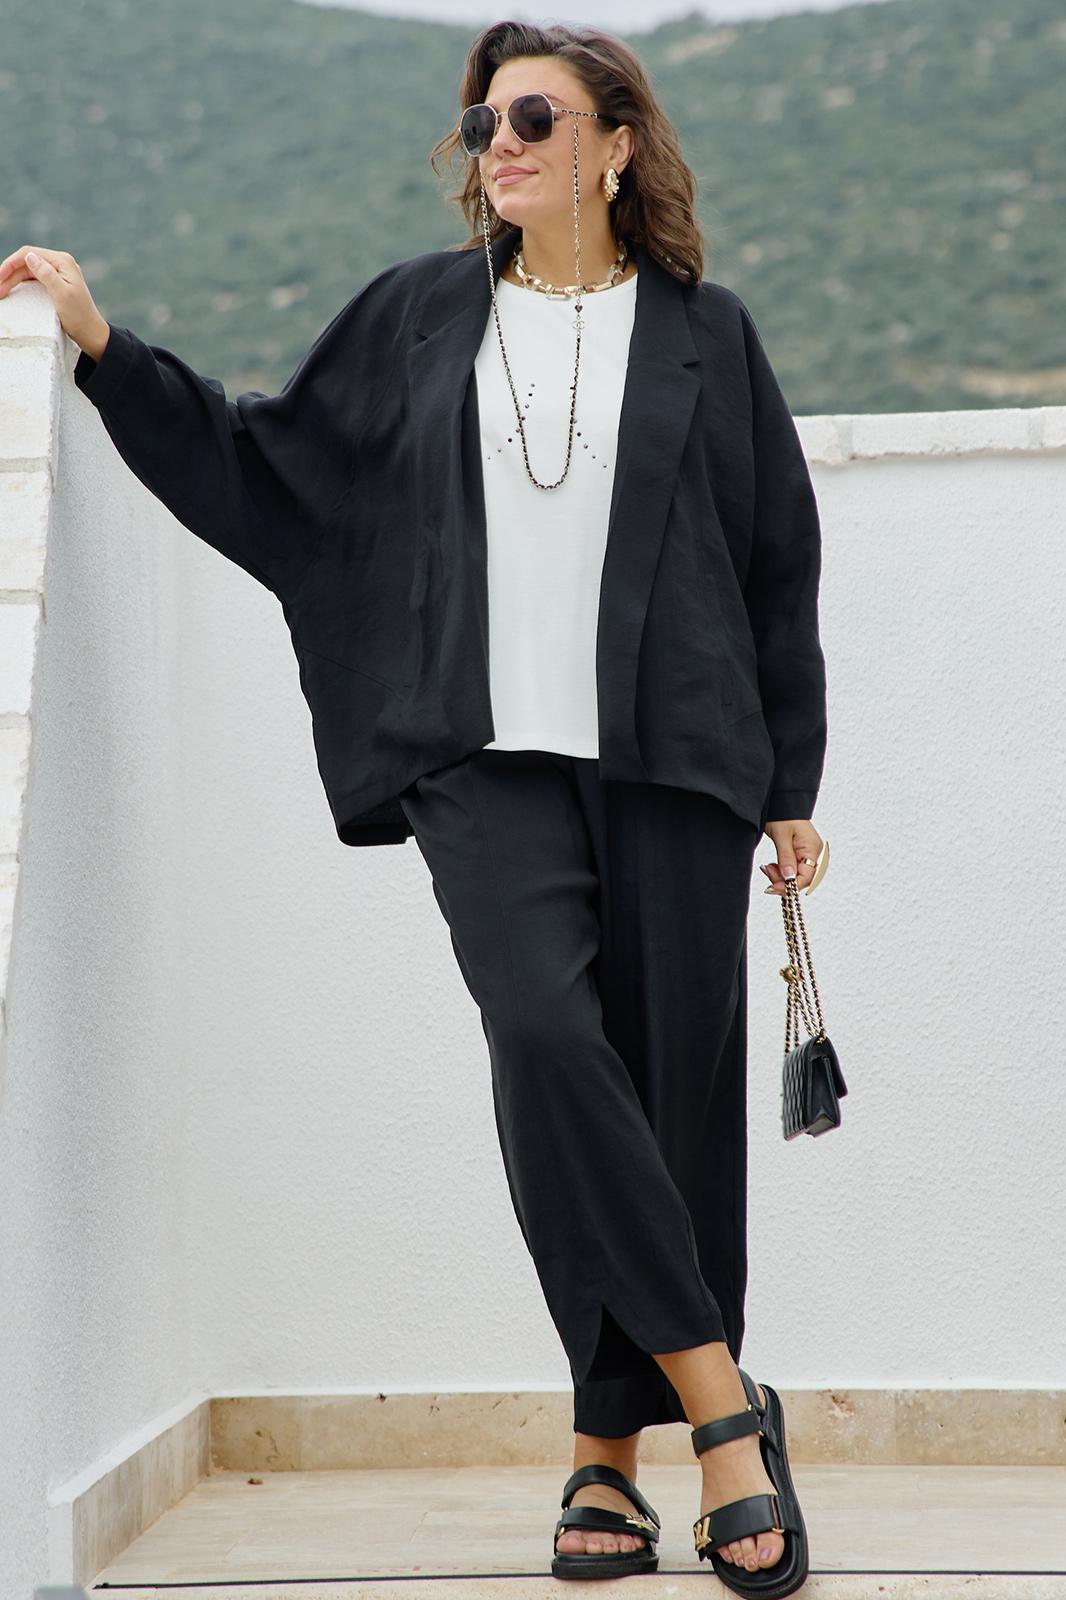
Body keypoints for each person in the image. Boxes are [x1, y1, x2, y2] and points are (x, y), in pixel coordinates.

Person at [0, 20, 826, 1596]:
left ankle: (604, 1451)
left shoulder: (706, 336)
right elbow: (273, 469)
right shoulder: (417, 316)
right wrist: (106, 350)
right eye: (482, 122)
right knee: (544, 1038)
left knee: (668, 1104)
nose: (498, 142)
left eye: (534, 117)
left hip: (676, 760)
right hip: (476, 759)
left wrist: (788, 785)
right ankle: (726, 1409)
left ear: (614, 147)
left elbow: (774, 564)